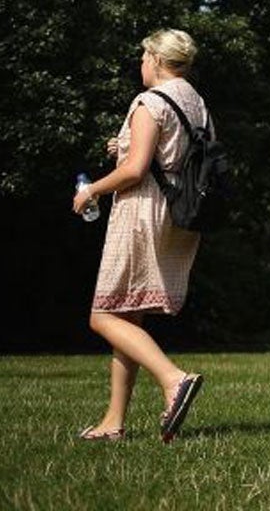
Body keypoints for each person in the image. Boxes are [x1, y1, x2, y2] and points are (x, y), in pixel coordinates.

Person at [71, 28, 210, 443]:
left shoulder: (150, 101)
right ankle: (114, 422)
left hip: (142, 213)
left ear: (155, 58)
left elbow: (134, 172)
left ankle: (173, 379)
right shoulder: (194, 101)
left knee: (103, 315)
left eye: (143, 56)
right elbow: (167, 155)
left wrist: (92, 189)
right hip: (177, 212)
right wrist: (126, 146)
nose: (140, 63)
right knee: (128, 314)